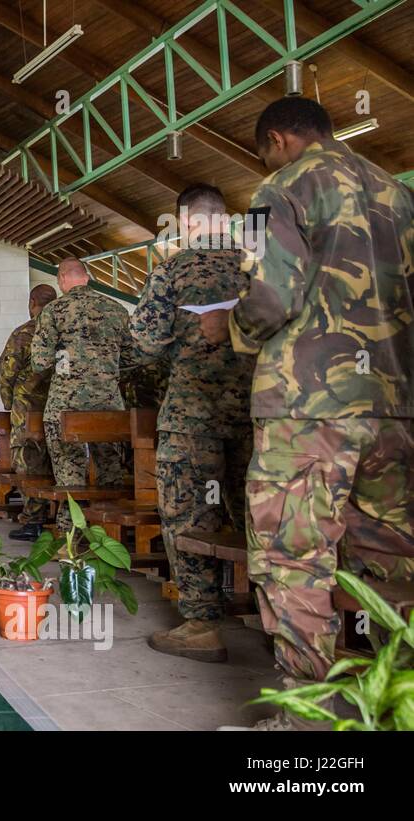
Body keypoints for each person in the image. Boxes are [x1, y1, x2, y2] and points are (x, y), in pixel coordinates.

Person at [199, 97, 414, 727]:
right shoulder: (399, 194)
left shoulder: (280, 187)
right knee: (395, 558)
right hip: (396, 407)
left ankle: (308, 717)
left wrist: (228, 327)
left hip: (308, 407)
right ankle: (400, 701)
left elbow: (270, 296)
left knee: (293, 554)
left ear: (277, 140)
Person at [128, 184, 255, 663]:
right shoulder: (255, 266)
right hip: (254, 412)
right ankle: (274, 617)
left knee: (189, 513)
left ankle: (203, 622)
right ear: (225, 219)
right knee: (255, 512)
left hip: (191, 416)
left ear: (185, 223)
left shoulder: (173, 269)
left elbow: (143, 341)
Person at [30, 258, 135, 532]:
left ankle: (72, 538)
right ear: (86, 277)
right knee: (110, 472)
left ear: (62, 279)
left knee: (69, 476)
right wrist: (105, 368)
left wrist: (66, 363)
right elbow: (135, 355)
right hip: (109, 406)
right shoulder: (117, 309)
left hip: (65, 406)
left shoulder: (53, 311)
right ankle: (112, 533)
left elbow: (39, 362)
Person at [0, 284, 58, 541]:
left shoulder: (25, 333)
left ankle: (33, 521)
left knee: (29, 463)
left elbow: (6, 369)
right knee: (60, 462)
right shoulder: (64, 330)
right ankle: (64, 518)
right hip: (60, 408)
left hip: (28, 408)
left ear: (32, 302)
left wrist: (10, 403)